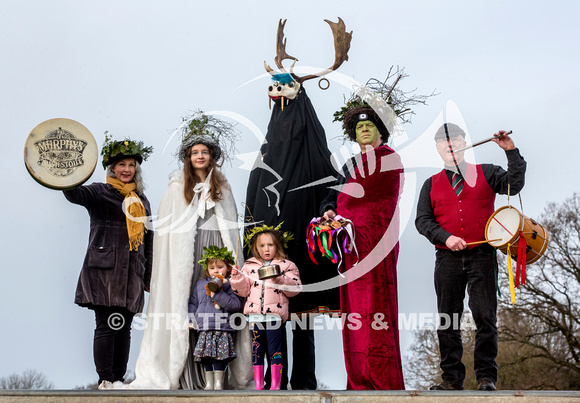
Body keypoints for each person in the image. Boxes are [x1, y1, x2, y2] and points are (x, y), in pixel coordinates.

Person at [129, 113, 253, 390]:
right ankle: (182, 370)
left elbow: (230, 229)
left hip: (215, 253)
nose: (200, 156)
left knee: (215, 305)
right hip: (187, 251)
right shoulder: (176, 187)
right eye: (195, 152)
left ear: (212, 157)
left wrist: (228, 262)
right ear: (188, 157)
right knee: (187, 302)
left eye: (204, 152)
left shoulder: (223, 188)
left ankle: (217, 374)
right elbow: (166, 235)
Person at [415, 123, 526, 391]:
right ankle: (452, 379)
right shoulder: (431, 185)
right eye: (444, 142)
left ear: (464, 143)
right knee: (448, 319)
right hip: (446, 259)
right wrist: (445, 237)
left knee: (485, 317)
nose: (450, 145)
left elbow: (515, 183)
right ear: (438, 148)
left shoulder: (487, 172)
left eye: (455, 139)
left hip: (482, 255)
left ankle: (486, 377)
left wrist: (511, 152)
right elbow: (422, 221)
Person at [320, 104, 405, 390]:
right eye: (359, 127)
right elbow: (333, 196)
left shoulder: (389, 159)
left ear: (381, 131)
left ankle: (382, 379)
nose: (364, 130)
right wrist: (330, 212)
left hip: (374, 244)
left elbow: (377, 201)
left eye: (369, 126)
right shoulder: (348, 165)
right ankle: (358, 378)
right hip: (350, 248)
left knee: (376, 307)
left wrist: (345, 213)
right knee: (354, 313)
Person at [63, 135, 154, 390]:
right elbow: (74, 194)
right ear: (112, 168)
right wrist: (67, 174)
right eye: (122, 165)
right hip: (104, 271)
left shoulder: (142, 201)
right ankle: (105, 378)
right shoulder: (100, 192)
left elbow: (149, 241)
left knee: (123, 327)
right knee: (105, 324)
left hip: (132, 274)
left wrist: (148, 277)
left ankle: (118, 379)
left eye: (131, 165)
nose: (127, 170)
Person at [230, 227, 302, 390]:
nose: (266, 249)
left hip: (274, 317)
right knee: (257, 350)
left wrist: (280, 279)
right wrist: (237, 279)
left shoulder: (286, 266)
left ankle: (275, 385)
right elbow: (243, 291)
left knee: (275, 350)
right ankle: (258, 385)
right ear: (256, 248)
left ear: (277, 246)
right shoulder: (248, 266)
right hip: (255, 317)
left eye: (270, 244)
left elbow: (296, 288)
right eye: (262, 246)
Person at [188, 245, 243, 390]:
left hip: (222, 327)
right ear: (207, 269)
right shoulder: (200, 284)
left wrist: (217, 294)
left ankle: (219, 382)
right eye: (212, 268)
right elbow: (193, 303)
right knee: (206, 356)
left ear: (228, 269)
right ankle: (209, 383)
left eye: (220, 267)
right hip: (205, 327)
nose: (216, 270)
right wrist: (191, 320)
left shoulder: (230, 284)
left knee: (221, 356)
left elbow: (235, 305)